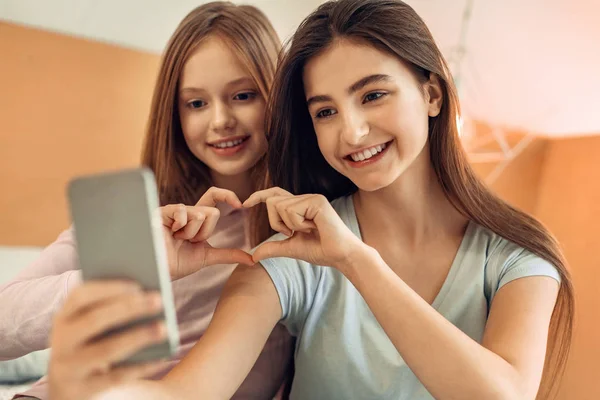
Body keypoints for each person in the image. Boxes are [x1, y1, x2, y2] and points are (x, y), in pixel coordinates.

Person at [49, 0, 574, 399]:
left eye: (372, 94)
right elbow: (188, 392)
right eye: (325, 111)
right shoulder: (290, 253)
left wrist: (356, 260)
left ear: (432, 94)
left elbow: (502, 393)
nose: (352, 131)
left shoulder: (517, 256)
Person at [0, 2, 294, 399]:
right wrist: (133, 275)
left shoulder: (300, 228)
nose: (220, 120)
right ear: (174, 114)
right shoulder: (140, 216)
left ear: (275, 96)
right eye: (196, 103)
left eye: (242, 95)